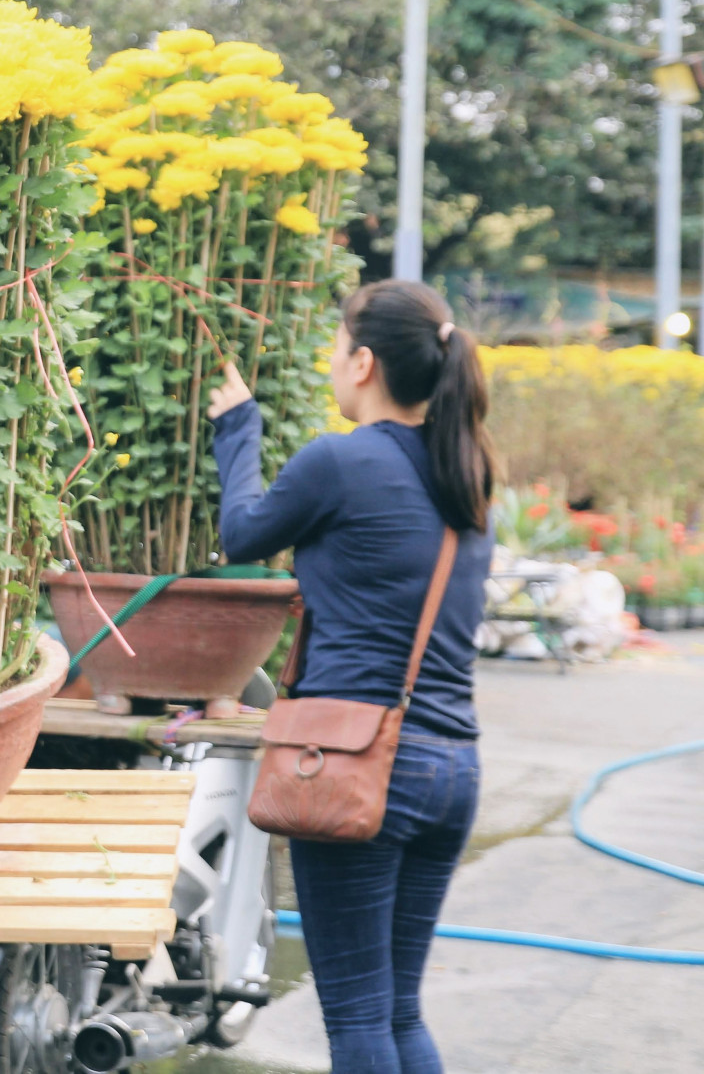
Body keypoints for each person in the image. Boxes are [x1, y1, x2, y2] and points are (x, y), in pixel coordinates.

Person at [207, 279, 494, 1074]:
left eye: (337, 349)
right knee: (398, 1010)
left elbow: (242, 535)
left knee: (360, 1021)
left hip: (362, 762)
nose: (332, 364)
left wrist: (238, 429)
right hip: (451, 767)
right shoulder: (467, 477)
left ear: (363, 361)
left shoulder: (341, 460)